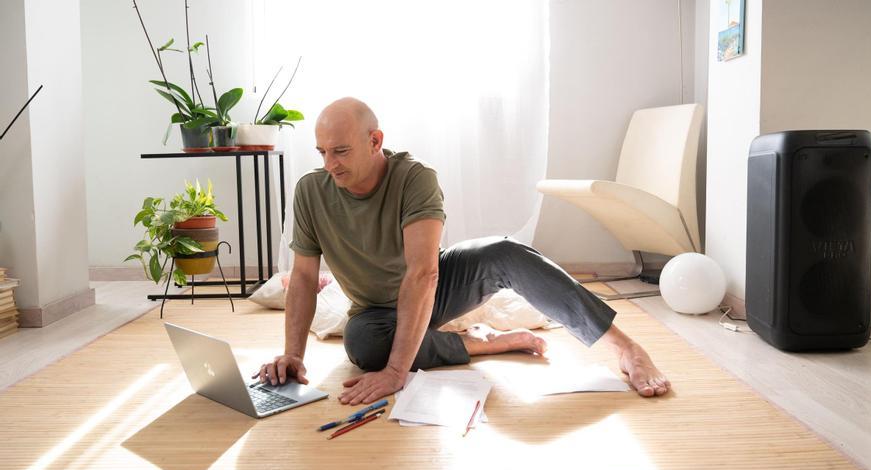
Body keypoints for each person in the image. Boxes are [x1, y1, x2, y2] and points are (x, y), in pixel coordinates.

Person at [255, 97, 670, 405]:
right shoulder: (311, 191)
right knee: (363, 346)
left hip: (435, 286)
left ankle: (627, 349)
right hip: (376, 310)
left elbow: (424, 274)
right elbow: (305, 278)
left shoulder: (415, 177)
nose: (330, 164)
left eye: (340, 151)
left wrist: (398, 372)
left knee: (507, 251)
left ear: (375, 141)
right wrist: (293, 355)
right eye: (322, 152)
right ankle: (487, 343)